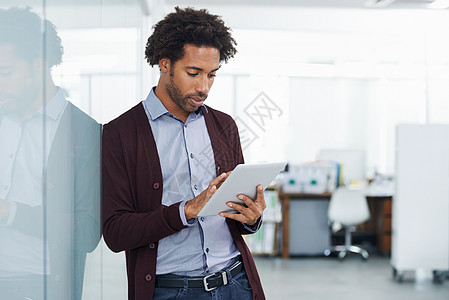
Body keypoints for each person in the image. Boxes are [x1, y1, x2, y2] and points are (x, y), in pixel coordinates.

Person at [102, 7, 266, 300]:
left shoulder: (224, 125)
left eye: (212, 75)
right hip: (171, 291)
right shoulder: (120, 133)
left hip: (236, 282)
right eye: (193, 73)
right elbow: (115, 233)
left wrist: (251, 218)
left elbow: (235, 214)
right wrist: (185, 210)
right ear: (165, 64)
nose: (203, 87)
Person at [0, 7, 101, 300]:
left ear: (38, 65)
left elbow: (88, 231)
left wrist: (10, 212)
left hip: (41, 285)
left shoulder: (83, 132)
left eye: (6, 72)